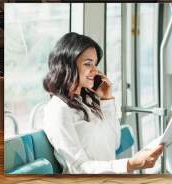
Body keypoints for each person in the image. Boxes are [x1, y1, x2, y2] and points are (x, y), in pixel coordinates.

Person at [43, 32, 163, 174]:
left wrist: (107, 100)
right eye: (88, 64)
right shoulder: (58, 110)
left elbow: (114, 143)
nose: (95, 71)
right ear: (67, 65)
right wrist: (130, 165)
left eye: (95, 64)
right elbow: (79, 168)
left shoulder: (87, 102)